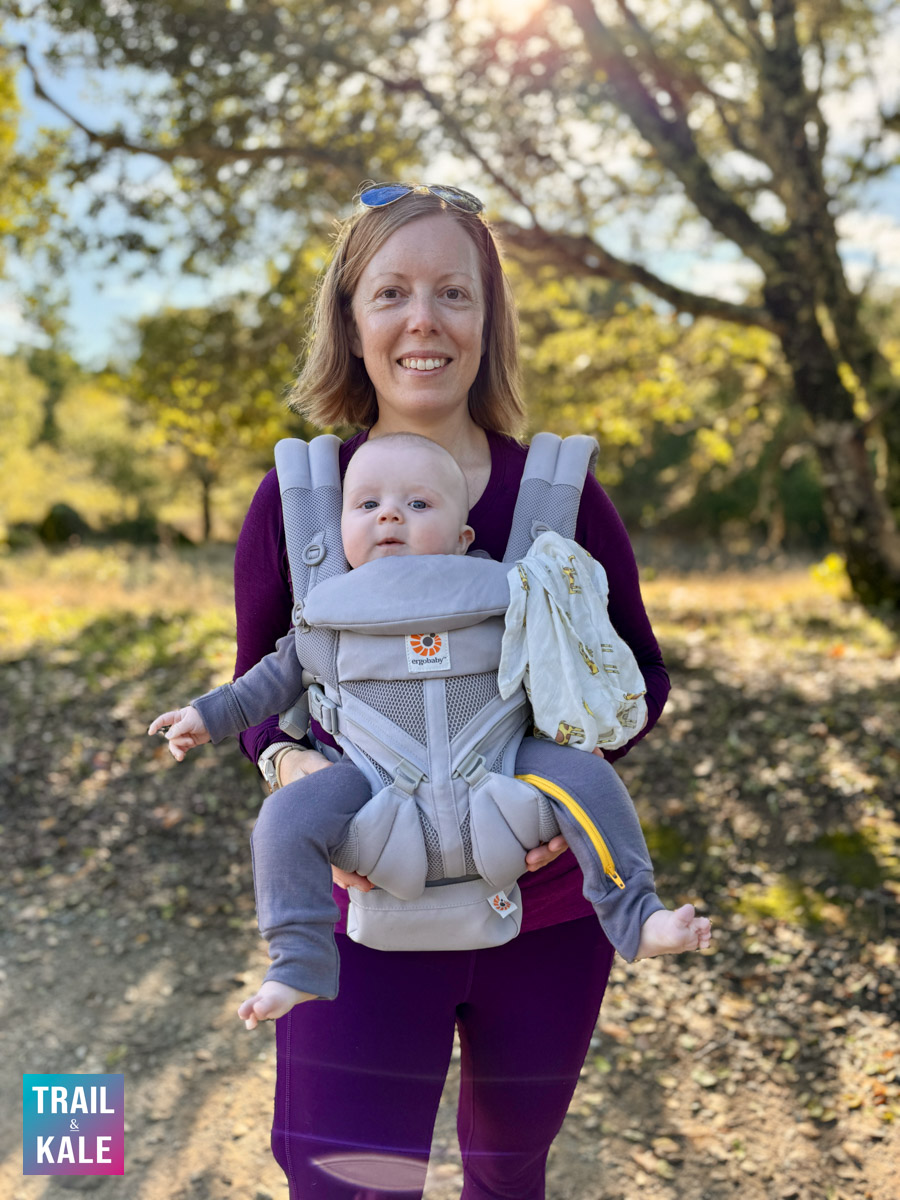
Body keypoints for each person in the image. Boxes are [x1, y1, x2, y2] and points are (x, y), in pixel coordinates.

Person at [197, 181, 693, 1200]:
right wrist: (290, 767)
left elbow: (638, 673)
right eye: (392, 294)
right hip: (367, 910)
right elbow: (265, 697)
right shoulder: (300, 498)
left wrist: (572, 782)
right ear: (353, 320)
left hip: (547, 922)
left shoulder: (557, 493)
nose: (423, 320)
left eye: (453, 294)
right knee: (346, 1178)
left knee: (509, 1173)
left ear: (486, 320)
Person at [149, 433, 710, 1029]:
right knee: (283, 821)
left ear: (465, 538)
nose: (390, 513)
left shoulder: (511, 592)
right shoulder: (326, 617)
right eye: (366, 505)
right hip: (368, 791)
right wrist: (204, 718)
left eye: (418, 505)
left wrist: (585, 730)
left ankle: (637, 915)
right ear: (339, 532)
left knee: (590, 779)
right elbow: (261, 685)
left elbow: (578, 661)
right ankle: (297, 962)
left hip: (506, 773)